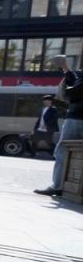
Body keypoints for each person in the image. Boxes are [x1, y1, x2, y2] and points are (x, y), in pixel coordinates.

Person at [34, 56, 83, 197]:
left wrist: (66, 74)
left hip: (76, 117)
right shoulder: (78, 75)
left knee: (62, 151)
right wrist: (66, 69)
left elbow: (72, 91)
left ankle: (57, 186)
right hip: (76, 116)